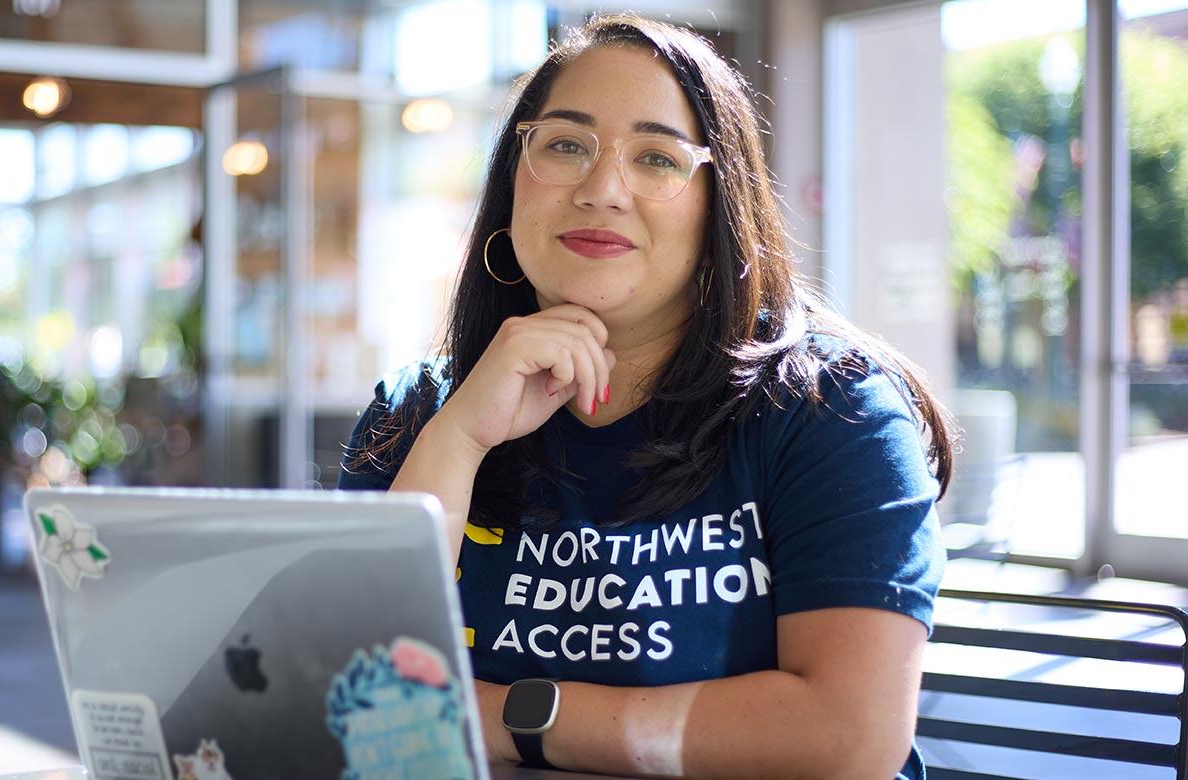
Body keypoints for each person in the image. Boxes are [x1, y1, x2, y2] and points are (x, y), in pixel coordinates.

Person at [340, 13, 954, 780]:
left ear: (717, 210)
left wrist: (502, 714)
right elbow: (350, 705)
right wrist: (458, 440)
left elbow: (847, 737)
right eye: (565, 144)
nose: (603, 189)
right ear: (512, 182)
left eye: (657, 158)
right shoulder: (419, 413)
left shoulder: (832, 412)